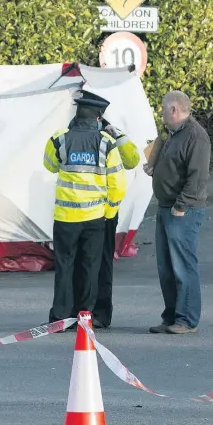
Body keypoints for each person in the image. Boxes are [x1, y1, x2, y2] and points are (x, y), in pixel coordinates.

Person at [44, 90, 127, 325]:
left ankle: (60, 317)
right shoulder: (107, 143)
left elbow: (49, 165)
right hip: (94, 217)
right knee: (90, 267)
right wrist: (109, 211)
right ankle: (85, 317)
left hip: (65, 217)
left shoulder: (59, 138)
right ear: (99, 118)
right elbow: (118, 184)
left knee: (64, 265)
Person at [146, 91, 211, 334]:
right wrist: (154, 168)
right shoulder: (173, 134)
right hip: (167, 207)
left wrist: (181, 206)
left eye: (163, 108)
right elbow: (175, 166)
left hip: (182, 210)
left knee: (183, 266)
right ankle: (172, 316)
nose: (161, 112)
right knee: (167, 268)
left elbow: (198, 177)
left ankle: (186, 320)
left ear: (174, 109)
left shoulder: (196, 137)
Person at [90, 112, 141, 328]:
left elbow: (133, 160)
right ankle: (90, 311)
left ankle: (99, 313)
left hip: (102, 212)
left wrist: (117, 134)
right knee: (91, 264)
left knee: (100, 264)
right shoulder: (74, 134)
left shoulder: (110, 136)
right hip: (89, 211)